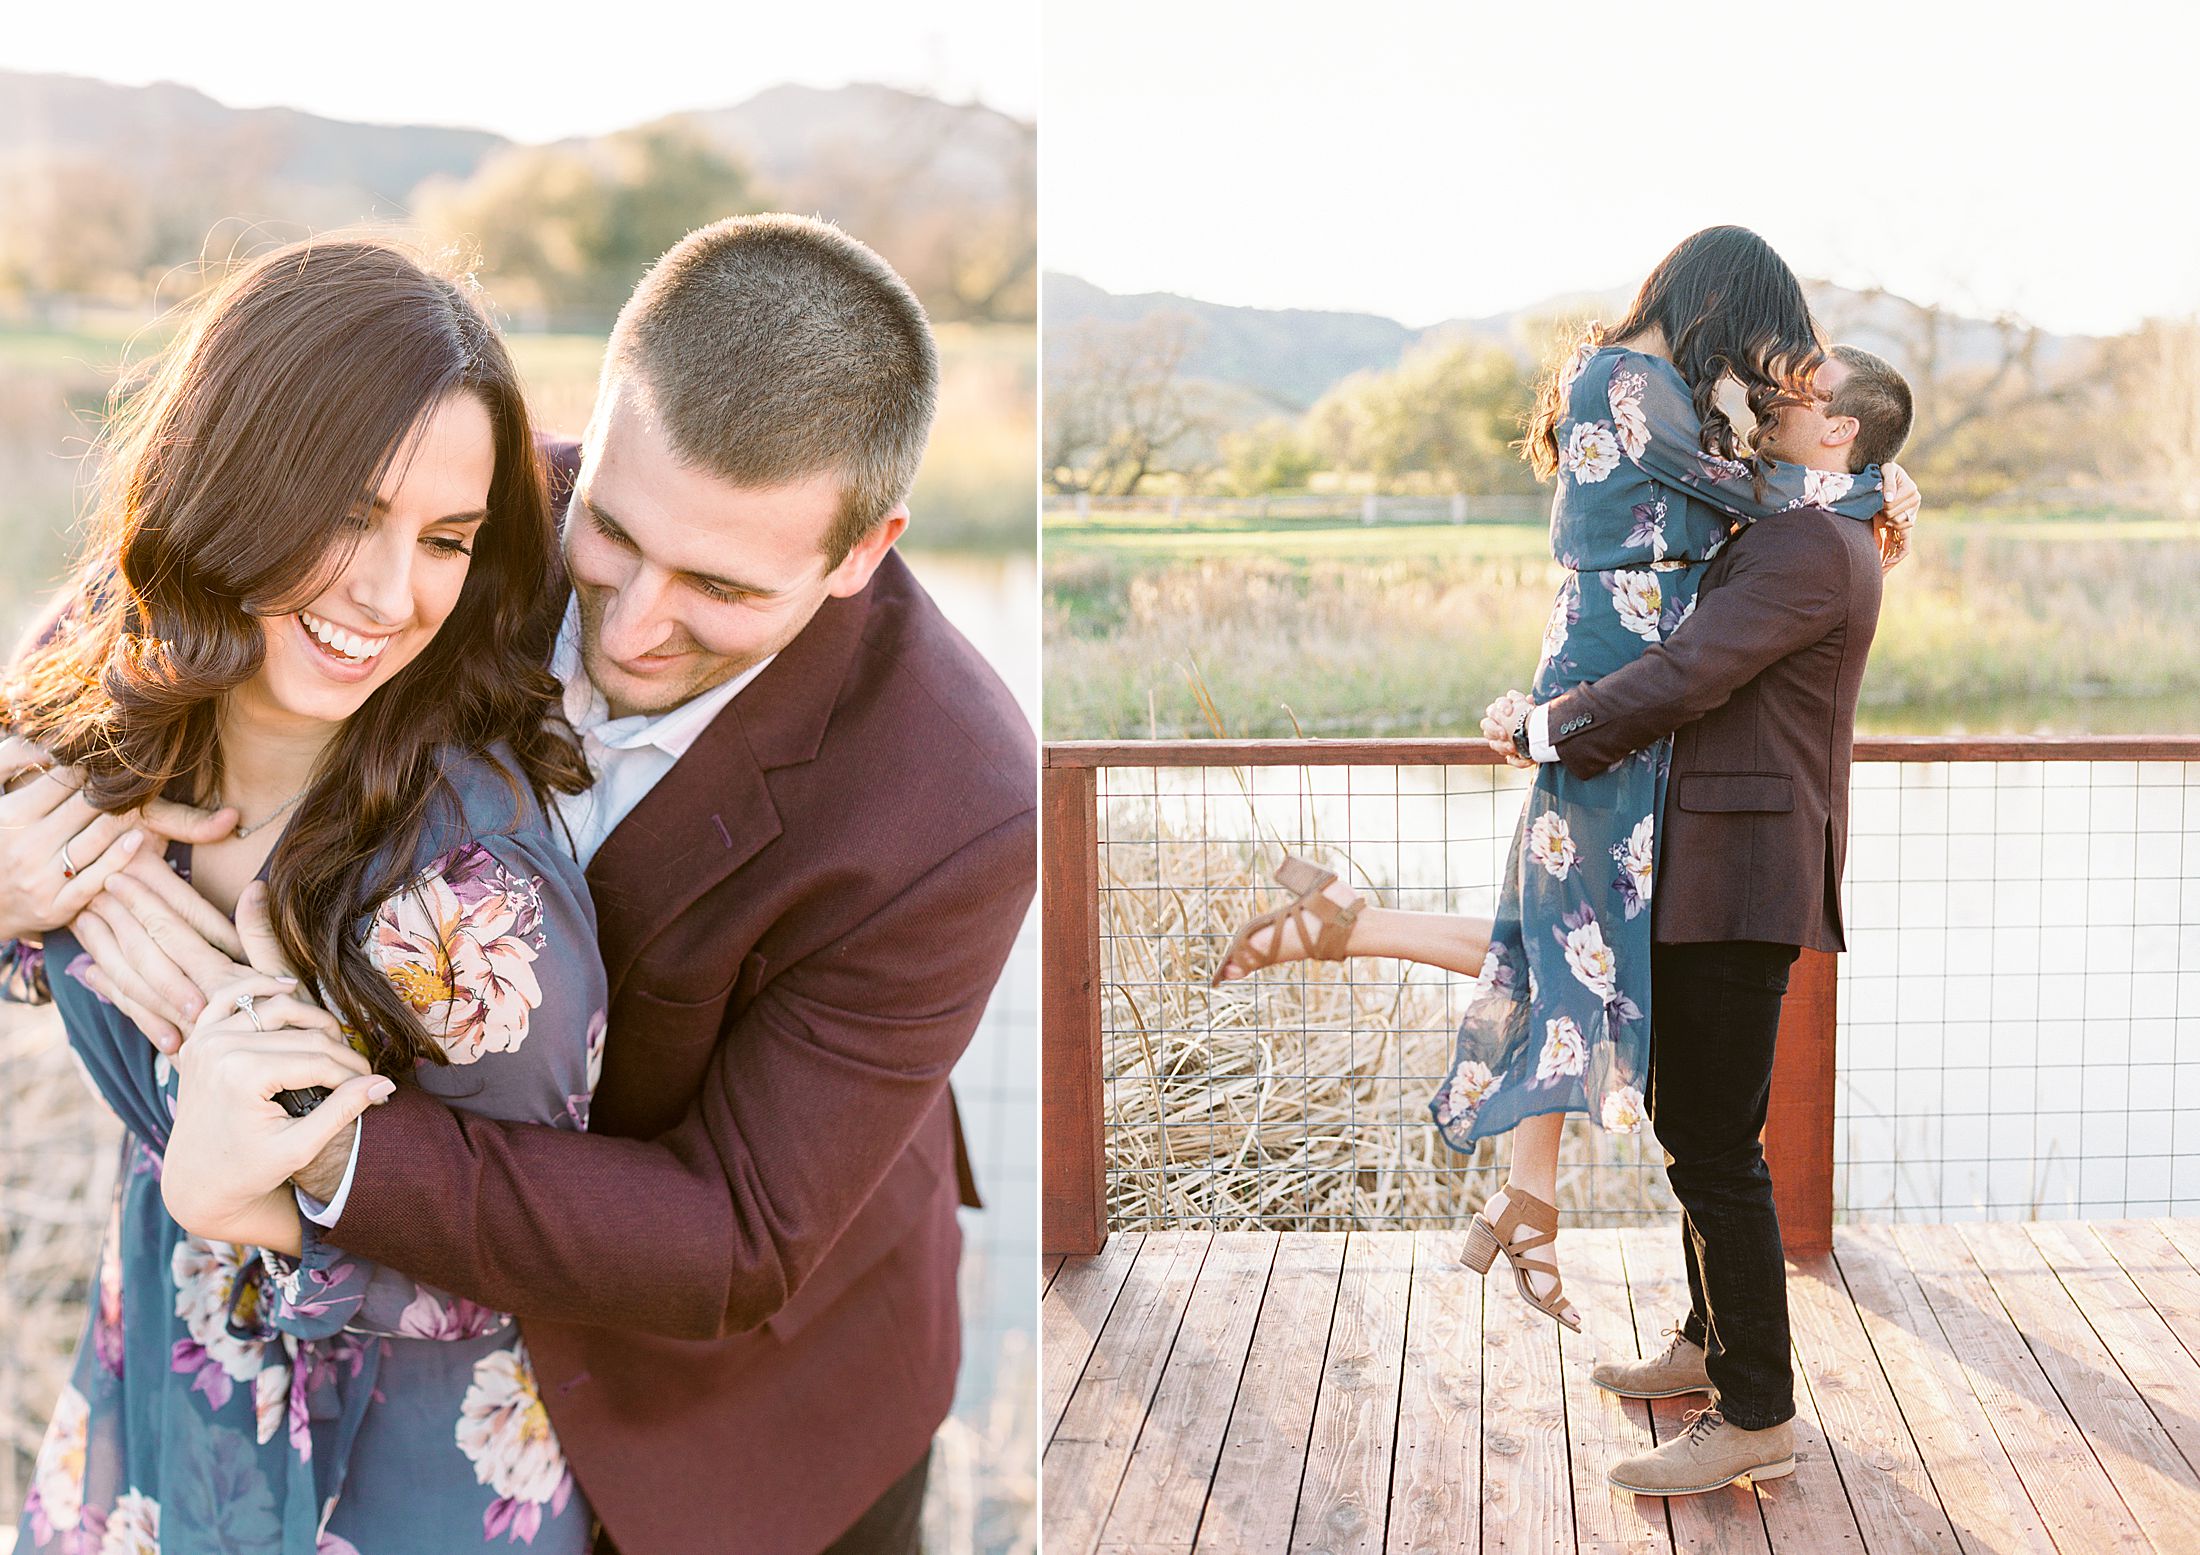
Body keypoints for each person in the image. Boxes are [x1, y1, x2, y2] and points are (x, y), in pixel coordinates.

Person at [22, 214, 1037, 1555]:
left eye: (720, 588)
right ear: (595, 428)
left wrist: (310, 1144)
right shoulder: (452, 513)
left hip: (730, 1418)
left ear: (862, 549)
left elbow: (732, 1233)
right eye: (612, 531)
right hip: (303, 1372)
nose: (630, 623)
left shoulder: (957, 798)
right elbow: (122, 635)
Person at [1217, 320, 1913, 1496]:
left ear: (1838, 427)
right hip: (1714, 863)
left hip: (1739, 874)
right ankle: (1709, 1347)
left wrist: (1544, 727)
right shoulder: (1814, 520)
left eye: (1804, 389)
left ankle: (1756, 1411)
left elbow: (1690, 675)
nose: (1776, 393)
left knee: (1714, 1146)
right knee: (1703, 1129)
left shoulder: (1807, 548)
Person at [3, 238, 605, 1552]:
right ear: (231, 478)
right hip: (150, 1395)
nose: (391, 599)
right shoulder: (104, 689)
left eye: (446, 539)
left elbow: (545, 1255)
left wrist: (263, 1204)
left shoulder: (471, 906)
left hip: (394, 1479)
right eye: (345, 515)